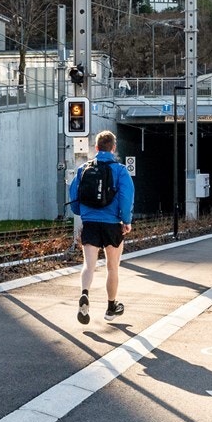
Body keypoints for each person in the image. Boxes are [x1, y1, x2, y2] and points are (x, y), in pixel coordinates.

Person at [68, 129, 134, 324]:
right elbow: (126, 197)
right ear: (113, 148)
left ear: (96, 147)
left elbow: (74, 196)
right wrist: (126, 220)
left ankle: (85, 294)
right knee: (113, 267)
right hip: (113, 224)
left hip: (90, 223)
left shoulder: (83, 169)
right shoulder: (120, 170)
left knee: (89, 265)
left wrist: (82, 213)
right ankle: (111, 308)